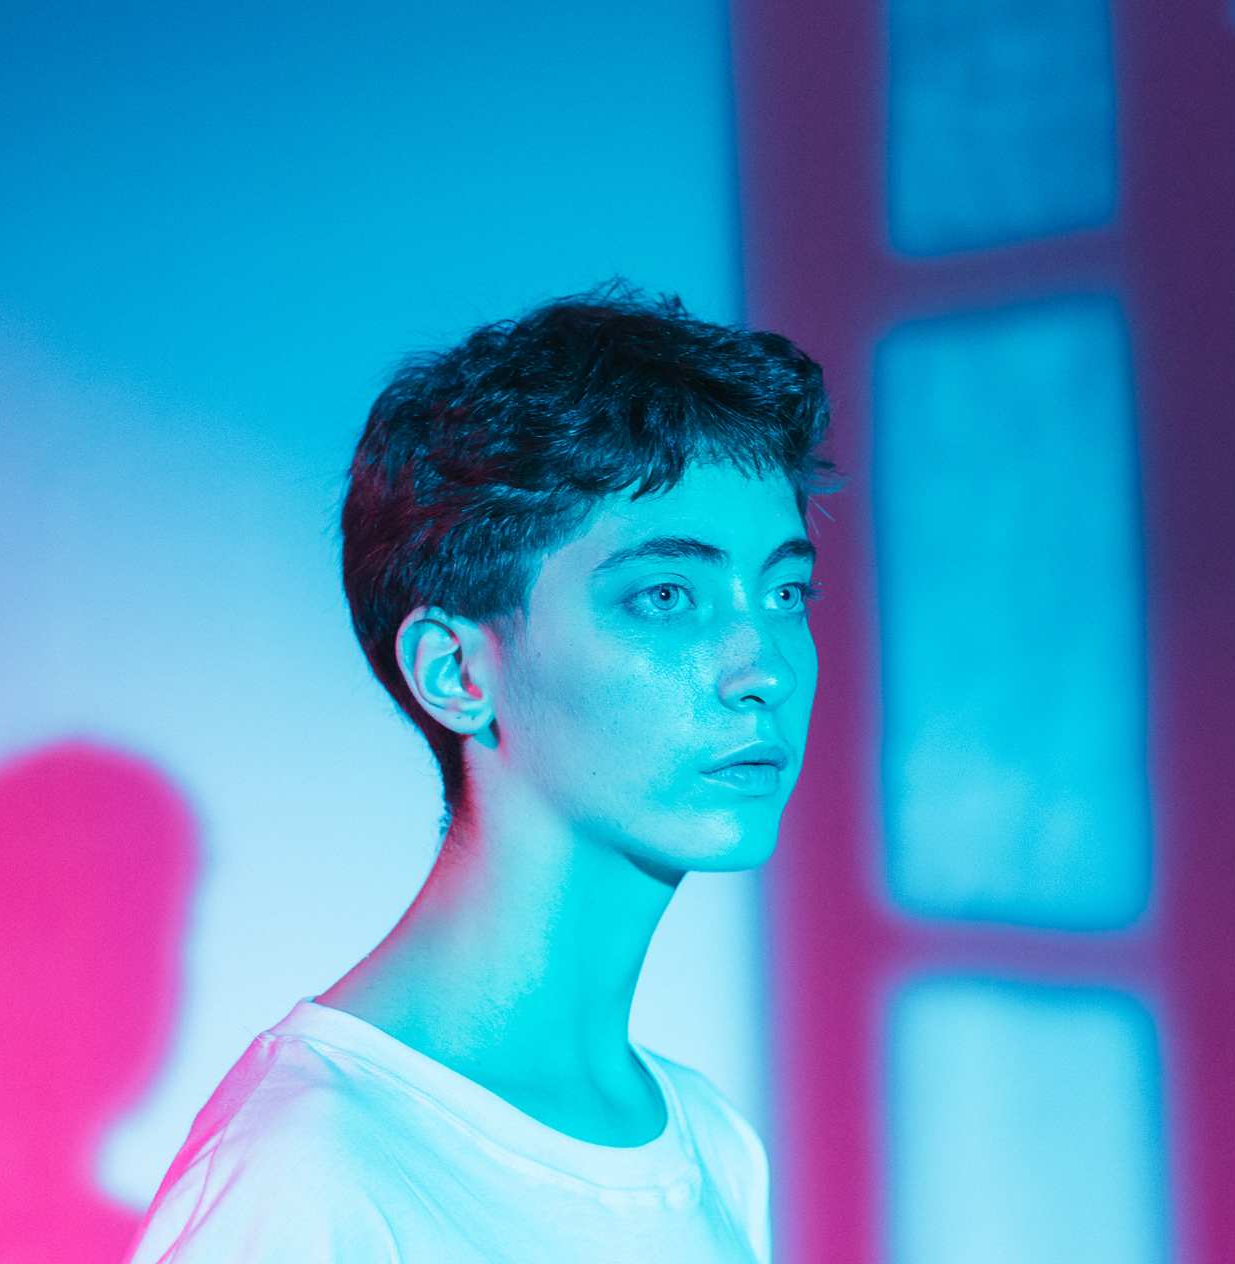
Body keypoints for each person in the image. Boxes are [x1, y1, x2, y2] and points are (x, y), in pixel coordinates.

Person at [131, 284, 832, 1263]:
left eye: (786, 591)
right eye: (666, 595)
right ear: (456, 671)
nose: (764, 668)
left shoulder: (711, 1142)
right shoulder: (313, 1174)